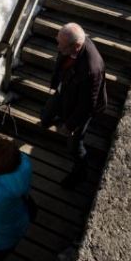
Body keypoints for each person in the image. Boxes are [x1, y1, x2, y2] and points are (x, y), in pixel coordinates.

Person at [39, 22, 107, 189]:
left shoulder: (91, 69)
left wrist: (70, 125)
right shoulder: (73, 45)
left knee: (75, 145)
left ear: (76, 46)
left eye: (61, 45)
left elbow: (87, 105)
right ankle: (55, 119)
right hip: (65, 90)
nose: (57, 47)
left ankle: (80, 173)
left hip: (80, 106)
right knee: (45, 117)